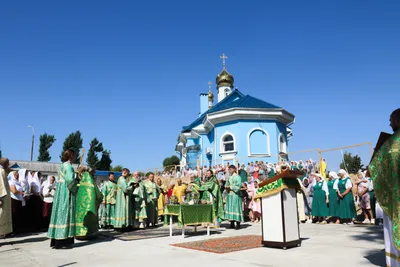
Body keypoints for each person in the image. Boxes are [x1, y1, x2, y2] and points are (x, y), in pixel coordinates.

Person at [369, 108, 400, 267]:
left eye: (391, 119)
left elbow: (374, 169)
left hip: (395, 197)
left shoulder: (390, 143)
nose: (389, 123)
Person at [48, 149, 79, 249]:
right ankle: (63, 241)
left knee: (59, 214)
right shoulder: (69, 167)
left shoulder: (62, 165)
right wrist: (77, 182)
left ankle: (56, 240)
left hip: (60, 192)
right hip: (66, 192)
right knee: (66, 214)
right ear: (71, 156)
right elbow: (70, 181)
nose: (74, 157)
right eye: (74, 156)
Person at [75, 168, 102, 239]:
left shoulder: (80, 179)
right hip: (90, 204)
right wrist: (101, 197)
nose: (94, 174)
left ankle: (78, 233)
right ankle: (89, 233)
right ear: (91, 172)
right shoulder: (90, 180)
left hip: (79, 203)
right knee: (90, 216)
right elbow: (97, 193)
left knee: (80, 216)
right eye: (93, 172)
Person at [224, 165, 244, 229]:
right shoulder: (229, 177)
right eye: (229, 169)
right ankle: (232, 223)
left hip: (236, 195)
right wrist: (226, 187)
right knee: (230, 208)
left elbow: (239, 186)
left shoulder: (238, 177)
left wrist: (231, 187)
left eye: (231, 169)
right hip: (230, 194)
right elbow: (226, 184)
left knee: (236, 208)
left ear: (234, 169)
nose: (230, 170)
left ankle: (238, 223)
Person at [0, 158, 13, 237]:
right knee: (1, 218)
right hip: (2, 198)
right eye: (8, 163)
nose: (9, 165)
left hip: (4, 198)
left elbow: (9, 170)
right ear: (5, 164)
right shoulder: (1, 172)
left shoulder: (3, 170)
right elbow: (1, 186)